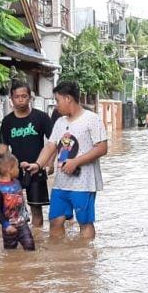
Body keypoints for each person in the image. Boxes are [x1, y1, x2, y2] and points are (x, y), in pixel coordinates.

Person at [22, 81, 107, 240]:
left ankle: (85, 258)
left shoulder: (92, 119)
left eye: (57, 100)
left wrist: (76, 162)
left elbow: (102, 148)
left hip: (84, 183)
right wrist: (38, 164)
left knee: (85, 223)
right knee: (55, 221)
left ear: (68, 98)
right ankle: (59, 259)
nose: (56, 105)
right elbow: (50, 145)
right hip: (62, 183)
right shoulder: (60, 122)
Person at [0, 81, 52, 227]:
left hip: (36, 168)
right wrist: (1, 174)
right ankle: (20, 237)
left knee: (36, 208)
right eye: (17, 97)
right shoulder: (7, 121)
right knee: (12, 208)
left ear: (30, 98)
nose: (20, 99)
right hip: (14, 172)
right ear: (11, 98)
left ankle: (36, 240)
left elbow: (53, 142)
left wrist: (49, 164)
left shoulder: (41, 117)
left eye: (24, 96)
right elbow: (3, 149)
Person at [0, 153, 35, 251]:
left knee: (30, 246)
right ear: (9, 170)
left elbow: (26, 184)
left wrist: (27, 170)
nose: (18, 170)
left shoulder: (17, 182)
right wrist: (6, 225)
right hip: (9, 227)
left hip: (22, 224)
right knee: (10, 251)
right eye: (17, 167)